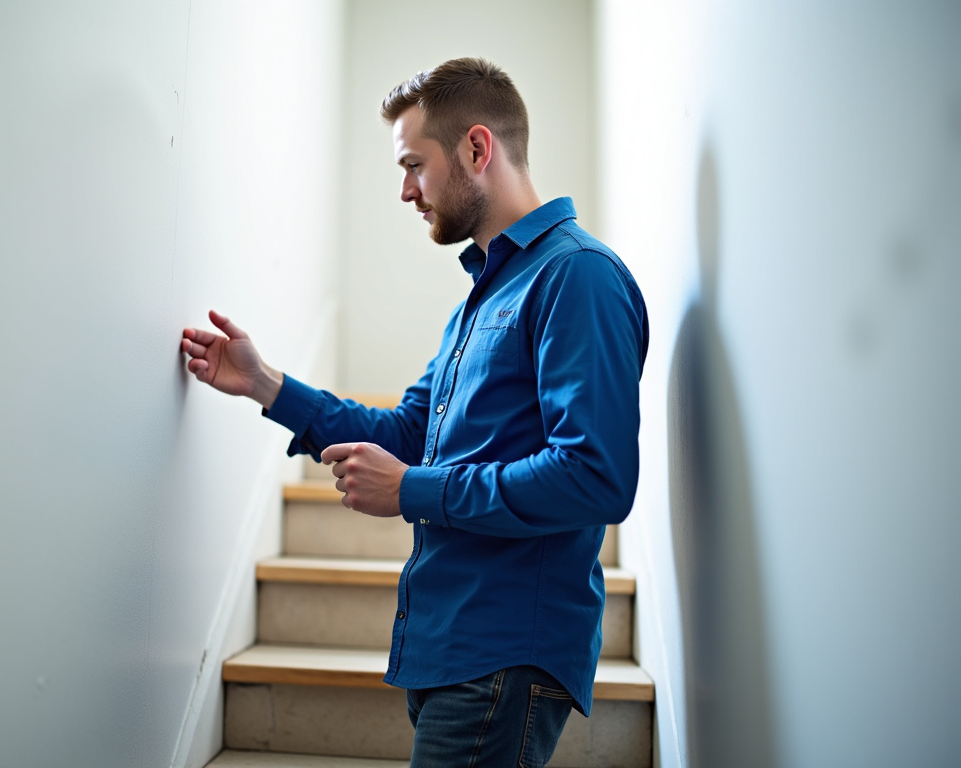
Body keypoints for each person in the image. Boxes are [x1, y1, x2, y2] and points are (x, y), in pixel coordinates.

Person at [180, 57, 648, 767]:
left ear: (477, 149)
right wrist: (267, 385)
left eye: (413, 165)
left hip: (504, 651)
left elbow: (595, 476)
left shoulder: (577, 275)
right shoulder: (479, 301)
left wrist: (411, 489)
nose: (405, 191)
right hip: (446, 646)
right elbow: (408, 434)